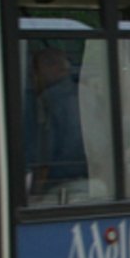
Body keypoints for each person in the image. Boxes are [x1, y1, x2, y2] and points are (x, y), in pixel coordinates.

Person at [26, 47, 88, 194]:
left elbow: (43, 160)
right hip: (92, 185)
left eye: (36, 71)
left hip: (59, 189)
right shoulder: (88, 95)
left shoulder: (47, 101)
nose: (34, 78)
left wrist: (35, 196)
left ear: (52, 68)